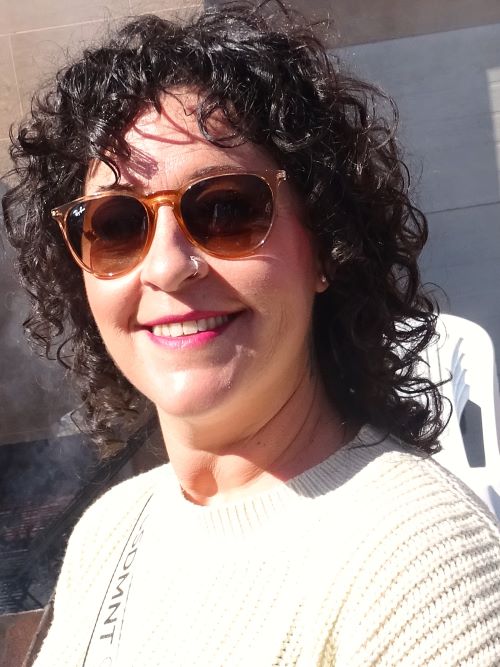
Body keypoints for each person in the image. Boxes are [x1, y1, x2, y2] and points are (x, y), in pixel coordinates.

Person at [2, 3, 500, 665]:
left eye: (226, 209)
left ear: (325, 246)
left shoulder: (421, 568)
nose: (167, 266)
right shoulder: (111, 527)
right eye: (116, 225)